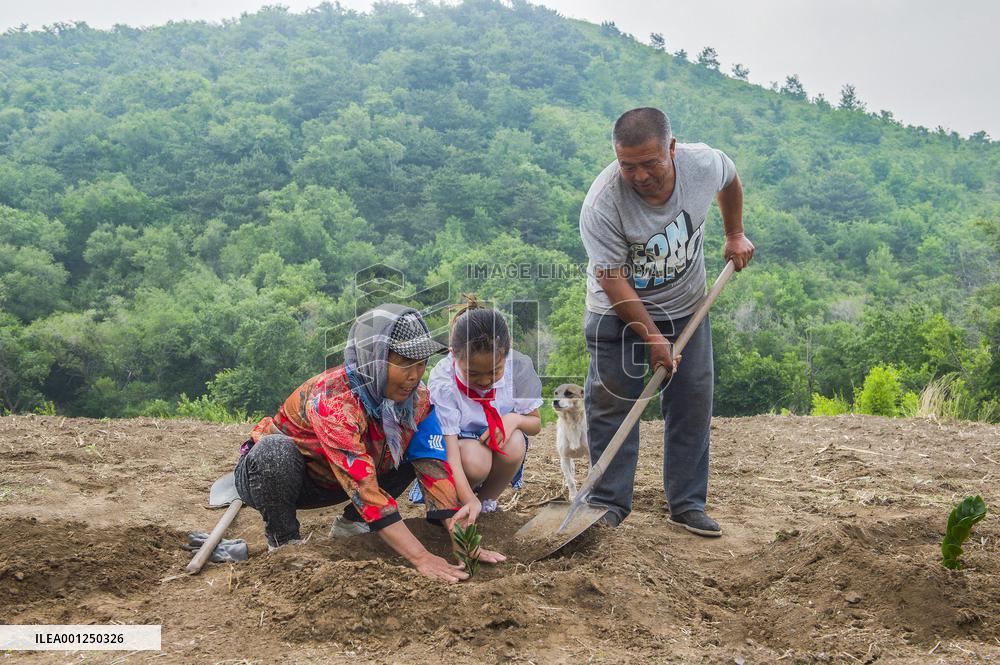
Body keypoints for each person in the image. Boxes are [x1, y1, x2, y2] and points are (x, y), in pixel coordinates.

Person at [233, 303, 505, 583]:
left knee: (413, 449)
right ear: (373, 359)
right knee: (275, 453)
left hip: (338, 484)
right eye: (403, 362)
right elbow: (362, 483)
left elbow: (432, 465)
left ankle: (354, 523)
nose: (415, 375)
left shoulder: (418, 400)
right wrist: (421, 558)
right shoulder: (334, 400)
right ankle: (284, 541)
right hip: (291, 479)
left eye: (421, 363)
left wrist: (462, 538)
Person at [579, 107, 755, 537]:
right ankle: (607, 503)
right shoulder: (603, 203)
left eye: (649, 163)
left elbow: (729, 179)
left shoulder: (701, 164)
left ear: (671, 149)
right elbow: (614, 280)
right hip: (617, 313)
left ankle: (687, 503)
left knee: (692, 401)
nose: (638, 176)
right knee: (613, 403)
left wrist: (734, 233)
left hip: (686, 306)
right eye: (627, 165)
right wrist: (652, 337)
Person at [410, 297, 543, 524]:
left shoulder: (519, 368)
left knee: (516, 441)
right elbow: (451, 454)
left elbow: (535, 424)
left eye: (495, 371)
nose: (485, 381)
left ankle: (486, 502)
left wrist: (513, 420)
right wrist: (469, 498)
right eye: (473, 373)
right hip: (461, 448)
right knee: (475, 460)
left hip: (496, 440)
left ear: (507, 355)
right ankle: (457, 503)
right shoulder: (444, 381)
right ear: (454, 355)